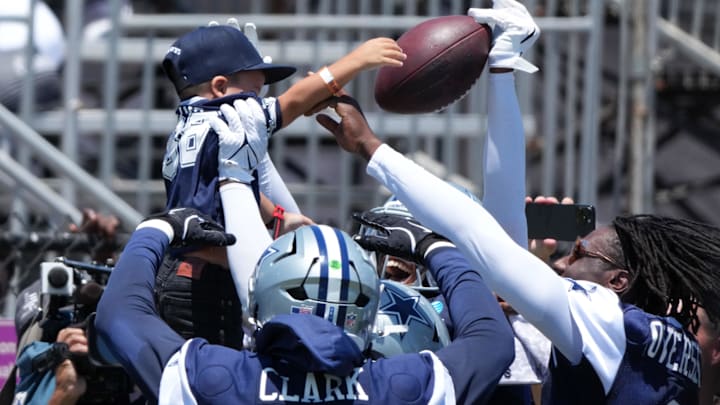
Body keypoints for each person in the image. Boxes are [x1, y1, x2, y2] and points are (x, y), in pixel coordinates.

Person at [315, 2, 720, 403]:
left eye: (580, 251)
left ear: (618, 283)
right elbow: (503, 243)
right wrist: (503, 69)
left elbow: (486, 241)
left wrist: (371, 149)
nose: (560, 261)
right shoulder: (670, 347)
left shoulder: (604, 320)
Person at [94, 202, 514, 404]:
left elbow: (120, 315)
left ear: (262, 299)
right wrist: (434, 248)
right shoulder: (400, 386)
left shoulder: (217, 376)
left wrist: (157, 229)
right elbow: (492, 341)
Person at [159, 21, 405, 333]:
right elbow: (292, 102)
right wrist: (355, 61)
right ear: (219, 87)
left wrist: (279, 217)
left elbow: (229, 191)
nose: (258, 101)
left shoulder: (191, 124)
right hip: (199, 286)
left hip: (191, 275)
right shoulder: (218, 118)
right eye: (254, 92)